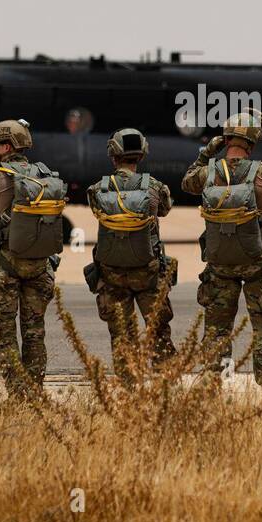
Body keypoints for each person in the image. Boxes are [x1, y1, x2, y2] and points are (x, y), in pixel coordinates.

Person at [181, 111, 262, 395]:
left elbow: (186, 182)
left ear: (227, 138)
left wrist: (209, 150)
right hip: (257, 260)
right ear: (253, 142)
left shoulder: (207, 173)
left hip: (219, 262)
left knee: (217, 330)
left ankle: (212, 388)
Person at [0, 119, 66, 395]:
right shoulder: (43, 174)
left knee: (4, 332)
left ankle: (17, 392)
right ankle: (34, 392)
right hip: (39, 265)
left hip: (6, 267)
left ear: (6, 146)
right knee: (34, 332)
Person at [86, 128, 177, 378]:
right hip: (147, 273)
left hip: (112, 274)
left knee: (122, 336)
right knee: (158, 331)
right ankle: (165, 385)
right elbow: (165, 210)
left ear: (113, 155)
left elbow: (97, 212)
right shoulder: (155, 187)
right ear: (142, 154)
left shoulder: (97, 190)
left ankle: (129, 391)